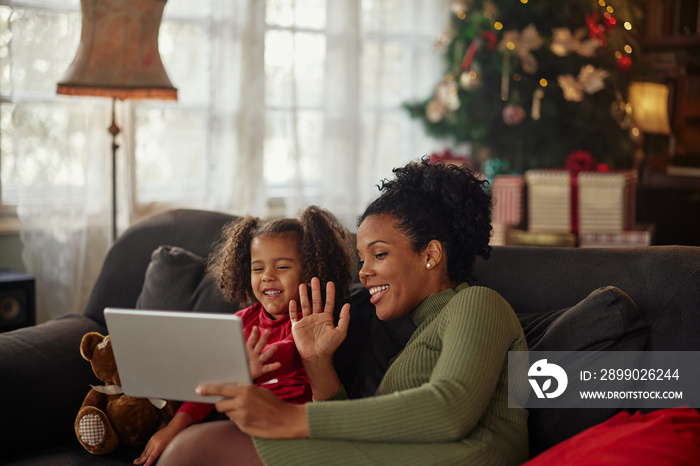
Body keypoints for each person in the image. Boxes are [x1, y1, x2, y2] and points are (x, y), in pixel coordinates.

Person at [158, 158, 530, 466]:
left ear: (430, 254)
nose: (364, 272)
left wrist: (291, 418)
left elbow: (449, 409)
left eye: (379, 254)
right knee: (192, 450)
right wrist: (317, 360)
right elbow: (364, 428)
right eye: (362, 258)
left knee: (195, 451)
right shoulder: (417, 333)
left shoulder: (479, 303)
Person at [134, 206, 354, 466]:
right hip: (243, 431)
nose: (268, 277)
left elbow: (287, 352)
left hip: (297, 431)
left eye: (282, 266)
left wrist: (240, 367)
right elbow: (210, 389)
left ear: (310, 269)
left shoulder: (315, 323)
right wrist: (173, 427)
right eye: (257, 269)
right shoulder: (239, 323)